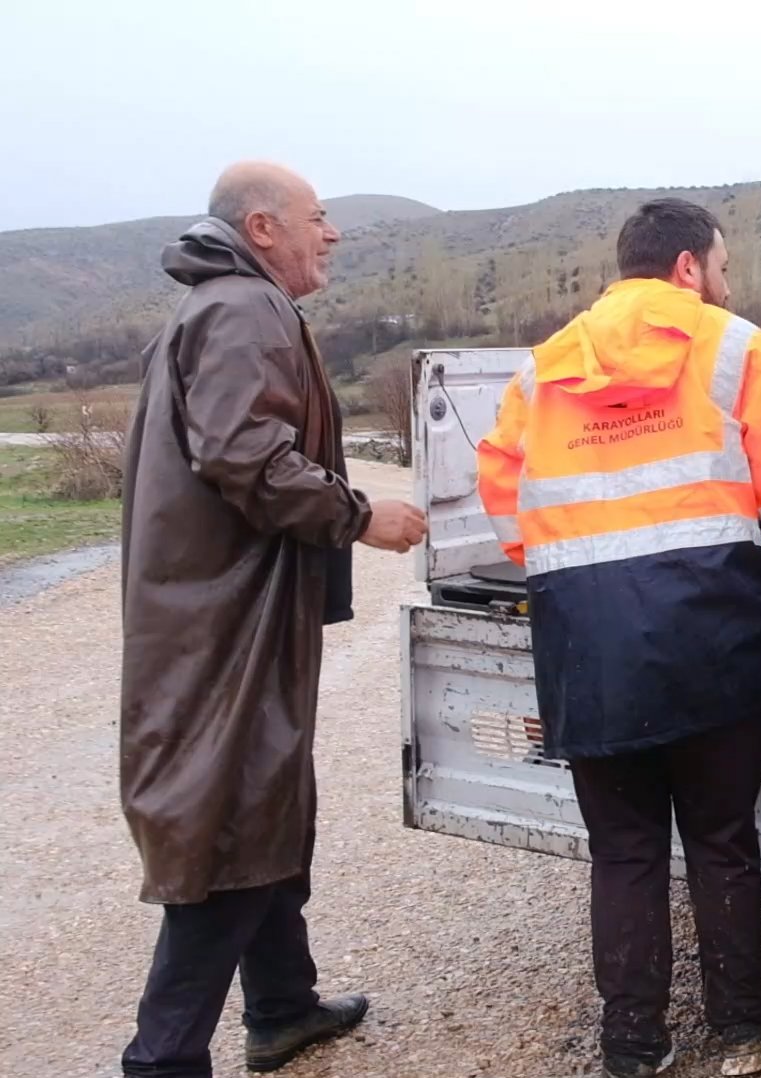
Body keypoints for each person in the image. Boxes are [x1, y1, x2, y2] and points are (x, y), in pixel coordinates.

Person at [475, 198, 761, 1078]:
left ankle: (632, 1045)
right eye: (723, 266)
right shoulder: (737, 347)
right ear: (690, 267)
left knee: (623, 853)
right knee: (722, 837)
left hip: (590, 644)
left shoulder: (543, 369)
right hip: (717, 637)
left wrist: (581, 561)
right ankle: (740, 1026)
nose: (727, 282)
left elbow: (507, 505)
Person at [118, 161, 427, 1078]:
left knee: (266, 801)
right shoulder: (243, 311)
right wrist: (361, 515)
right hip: (226, 621)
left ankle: (283, 1008)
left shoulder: (219, 307)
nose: (329, 234)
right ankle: (162, 1058)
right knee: (231, 819)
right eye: (317, 219)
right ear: (262, 229)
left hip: (222, 609)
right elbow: (245, 454)